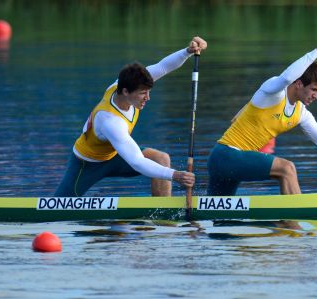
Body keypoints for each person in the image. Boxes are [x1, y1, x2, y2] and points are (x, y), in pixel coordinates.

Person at [207, 38, 317, 196]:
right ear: (298, 84)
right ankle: (296, 226)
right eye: (314, 89)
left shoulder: (301, 113)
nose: (316, 96)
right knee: (287, 168)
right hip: (225, 155)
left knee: (219, 218)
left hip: (231, 163)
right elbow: (285, 78)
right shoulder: (273, 93)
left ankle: (284, 228)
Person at [55, 36, 207, 197]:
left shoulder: (125, 85)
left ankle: (163, 215)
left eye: (149, 92)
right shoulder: (110, 121)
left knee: (161, 158)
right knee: (56, 208)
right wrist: (176, 175)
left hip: (115, 155)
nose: (147, 98)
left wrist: (187, 52)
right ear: (126, 91)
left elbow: (163, 67)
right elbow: (136, 161)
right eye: (143, 93)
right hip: (86, 164)